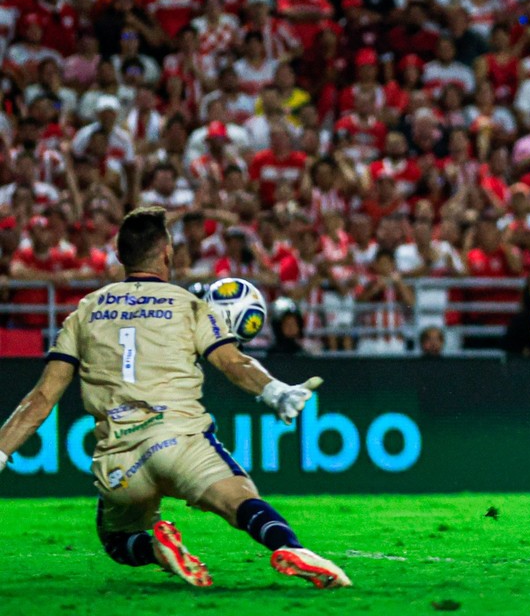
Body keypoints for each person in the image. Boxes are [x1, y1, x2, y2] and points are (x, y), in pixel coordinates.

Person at [0, 207, 352, 589]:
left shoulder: (84, 311)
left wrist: (1, 452)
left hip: (119, 459)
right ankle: (291, 548)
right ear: (167, 253)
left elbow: (41, 398)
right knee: (241, 502)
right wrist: (275, 390)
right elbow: (233, 363)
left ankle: (155, 549)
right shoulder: (189, 305)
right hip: (178, 441)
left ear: (119, 256)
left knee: (116, 541)